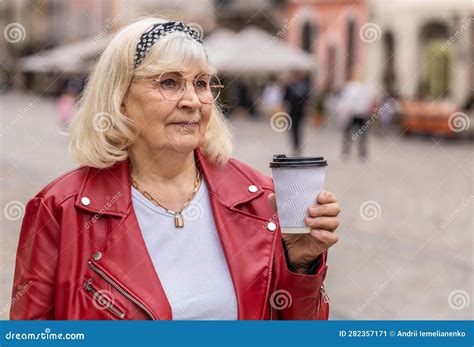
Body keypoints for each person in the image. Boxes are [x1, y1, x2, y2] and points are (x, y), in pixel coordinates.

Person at [10, 17, 341, 320]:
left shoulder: (262, 199)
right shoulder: (60, 209)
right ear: (119, 98)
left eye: (201, 83)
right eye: (169, 82)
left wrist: (299, 267)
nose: (192, 100)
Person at [284, 71, 311, 156]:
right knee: (293, 130)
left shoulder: (303, 86)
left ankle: (297, 146)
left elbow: (307, 99)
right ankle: (295, 146)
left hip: (299, 112)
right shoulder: (290, 86)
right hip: (292, 112)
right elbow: (285, 98)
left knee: (298, 130)